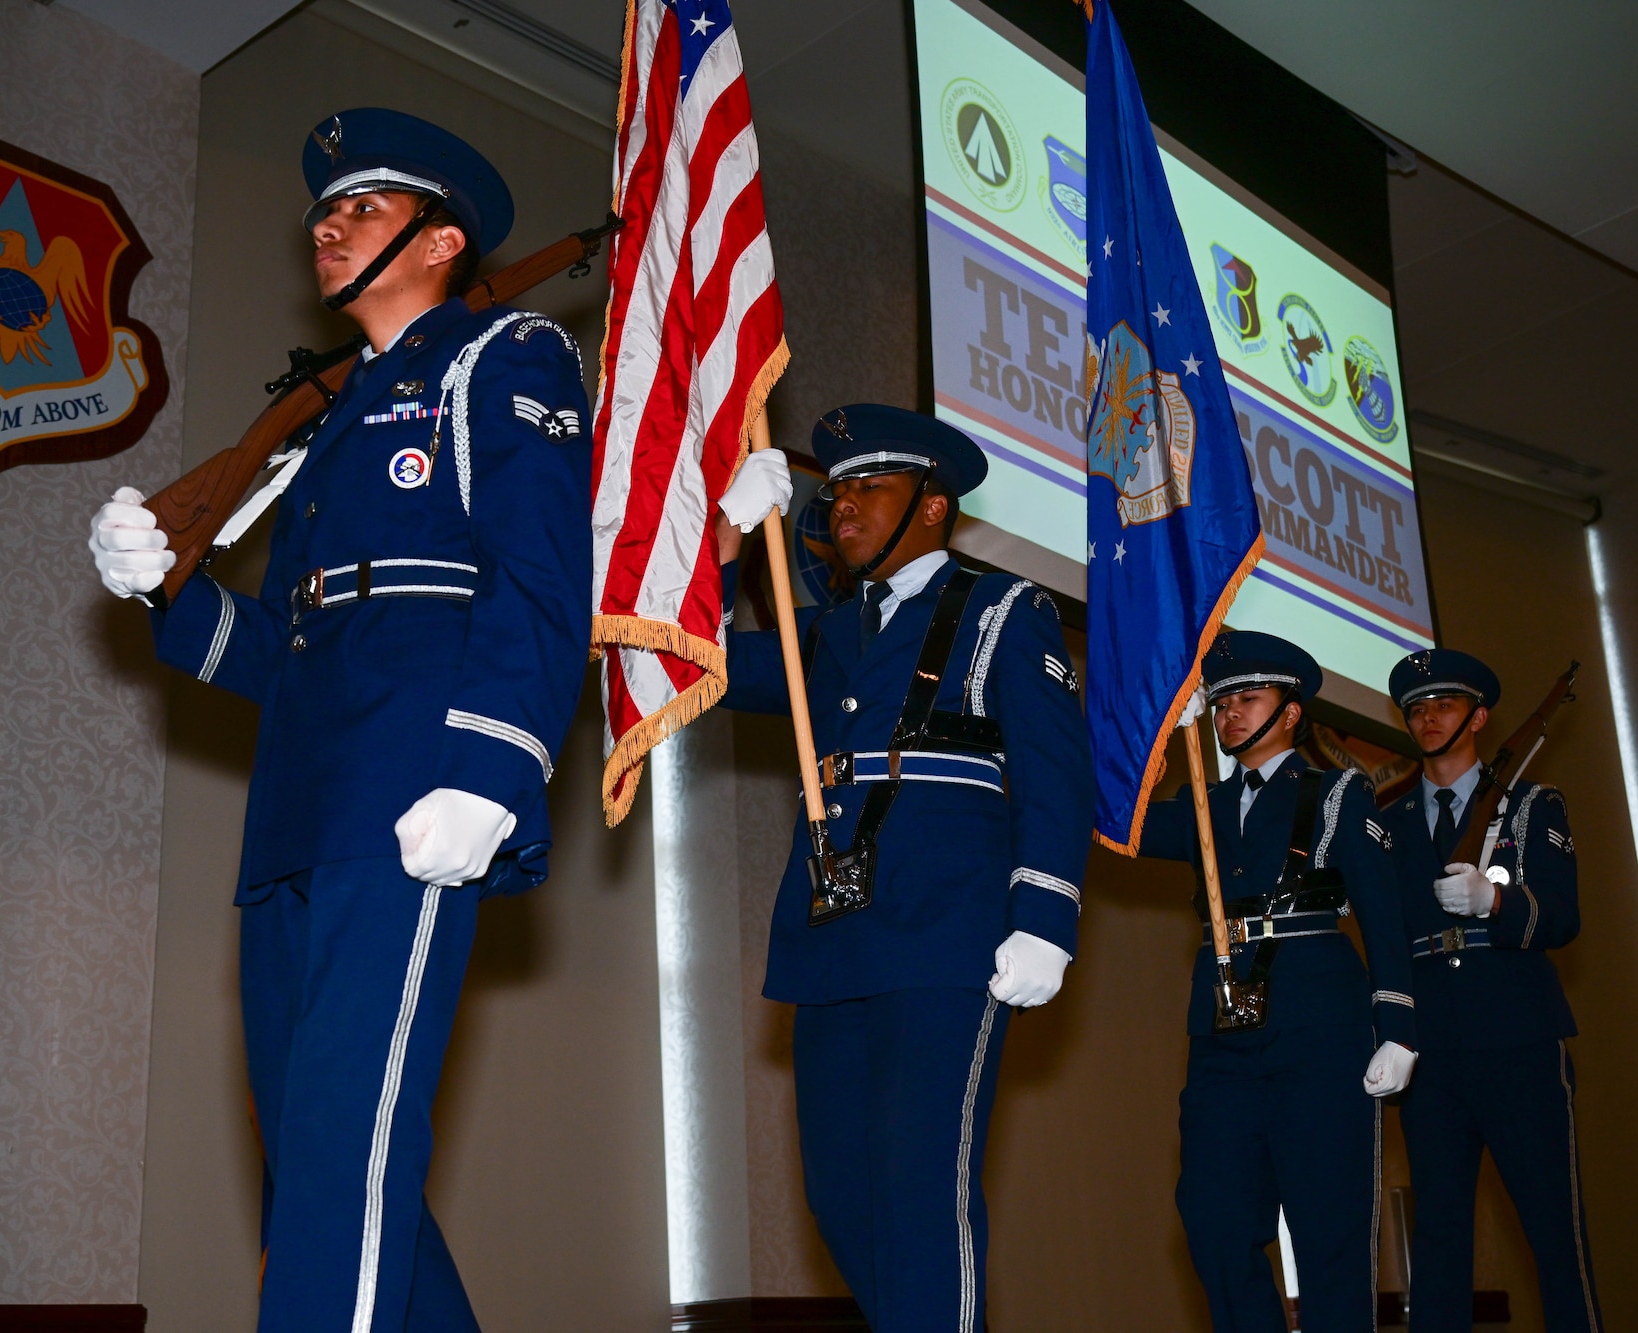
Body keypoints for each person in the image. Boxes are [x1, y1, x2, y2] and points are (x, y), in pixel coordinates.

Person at [85, 108, 592, 1333]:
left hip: (412, 795)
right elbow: (292, 647)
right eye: (324, 207)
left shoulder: (501, 357)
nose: (328, 222)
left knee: (344, 1159)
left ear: (440, 240)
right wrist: (168, 589)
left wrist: (491, 770)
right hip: (300, 810)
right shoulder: (335, 421)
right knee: (321, 1162)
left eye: (363, 207)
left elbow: (538, 580)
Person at [712, 403, 1095, 1332]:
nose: (840, 507)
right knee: (844, 1199)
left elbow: (1054, 771)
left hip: (946, 929)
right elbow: (702, 664)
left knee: (923, 1189)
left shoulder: (1004, 608)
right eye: (834, 490)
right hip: (835, 936)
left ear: (931, 504)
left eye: (868, 489)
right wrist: (724, 544)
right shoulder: (833, 632)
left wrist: (1045, 915)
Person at [1138, 631, 1417, 1333]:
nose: (1229, 714)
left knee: (1330, 1232)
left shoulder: (1336, 792)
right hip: (1224, 1037)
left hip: (1318, 1028)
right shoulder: (1198, 802)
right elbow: (1120, 818)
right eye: (1221, 702)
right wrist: (1155, 732)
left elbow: (1383, 914)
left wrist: (1400, 1026)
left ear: (1291, 712)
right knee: (1213, 1221)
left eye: (1248, 699)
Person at [1378, 649, 1600, 1333]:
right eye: (1416, 707)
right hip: (1433, 1049)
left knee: (1555, 1235)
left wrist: (1497, 901)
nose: (1428, 716)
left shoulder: (1532, 805)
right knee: (1440, 1243)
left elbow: (1562, 913)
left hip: (1517, 1038)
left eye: (1444, 704)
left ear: (1477, 716)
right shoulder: (1387, 822)